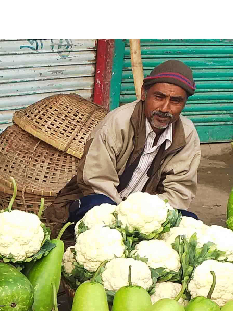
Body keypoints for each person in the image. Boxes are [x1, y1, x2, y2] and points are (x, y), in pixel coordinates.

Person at [71, 59, 202, 223]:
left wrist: (146, 217)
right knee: (97, 206)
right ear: (144, 93)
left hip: (146, 213)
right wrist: (124, 216)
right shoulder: (118, 122)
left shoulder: (187, 134)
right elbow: (96, 179)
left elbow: (180, 190)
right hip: (105, 201)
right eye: (159, 97)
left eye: (175, 101)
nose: (164, 108)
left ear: (184, 104)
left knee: (189, 220)